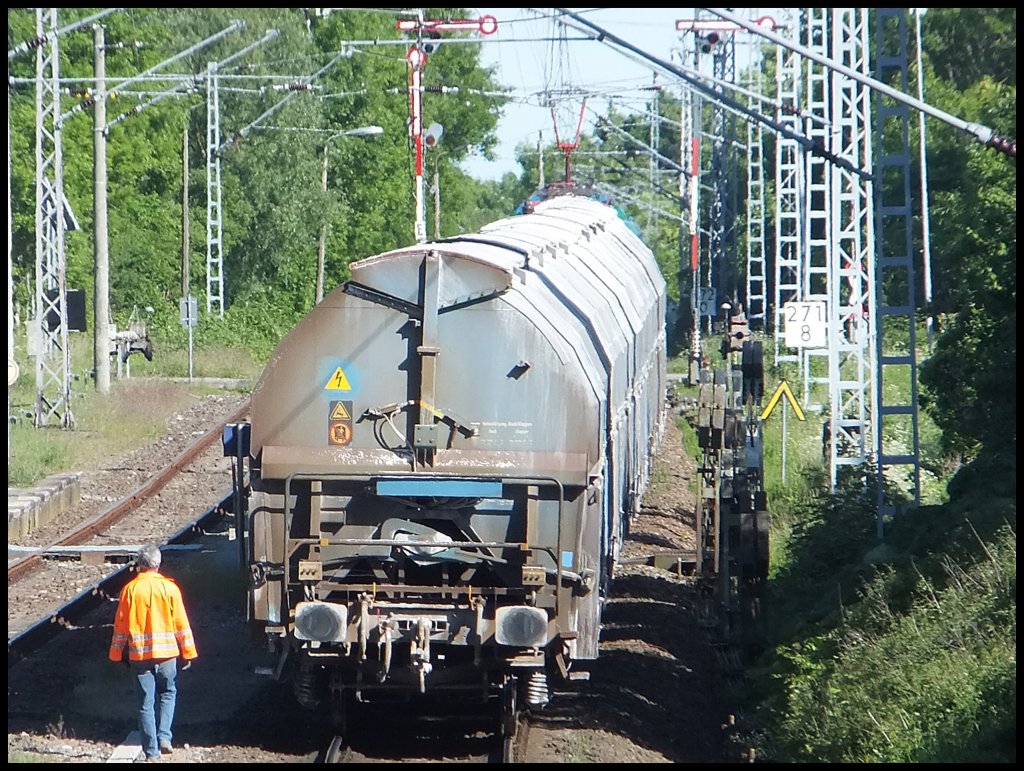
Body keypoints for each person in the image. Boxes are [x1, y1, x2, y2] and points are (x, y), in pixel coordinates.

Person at [109, 544, 198, 762]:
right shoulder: (170, 589)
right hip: (167, 654)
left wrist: (116, 653)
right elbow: (181, 624)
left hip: (139, 656)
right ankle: (165, 736)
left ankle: (152, 752)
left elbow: (120, 626)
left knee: (145, 704)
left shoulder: (130, 590)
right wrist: (188, 652)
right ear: (158, 564)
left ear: (140, 565)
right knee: (168, 692)